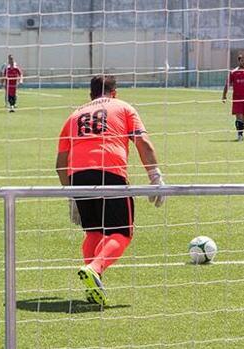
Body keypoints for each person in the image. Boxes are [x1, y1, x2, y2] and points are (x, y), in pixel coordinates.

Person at [56, 75, 165, 306]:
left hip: (78, 176)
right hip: (110, 173)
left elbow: (60, 163)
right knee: (122, 233)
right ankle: (95, 269)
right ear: (114, 92)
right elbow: (143, 142)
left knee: (94, 232)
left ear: (91, 95)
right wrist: (155, 176)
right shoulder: (123, 107)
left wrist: (72, 196)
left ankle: (93, 285)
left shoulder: (74, 116)